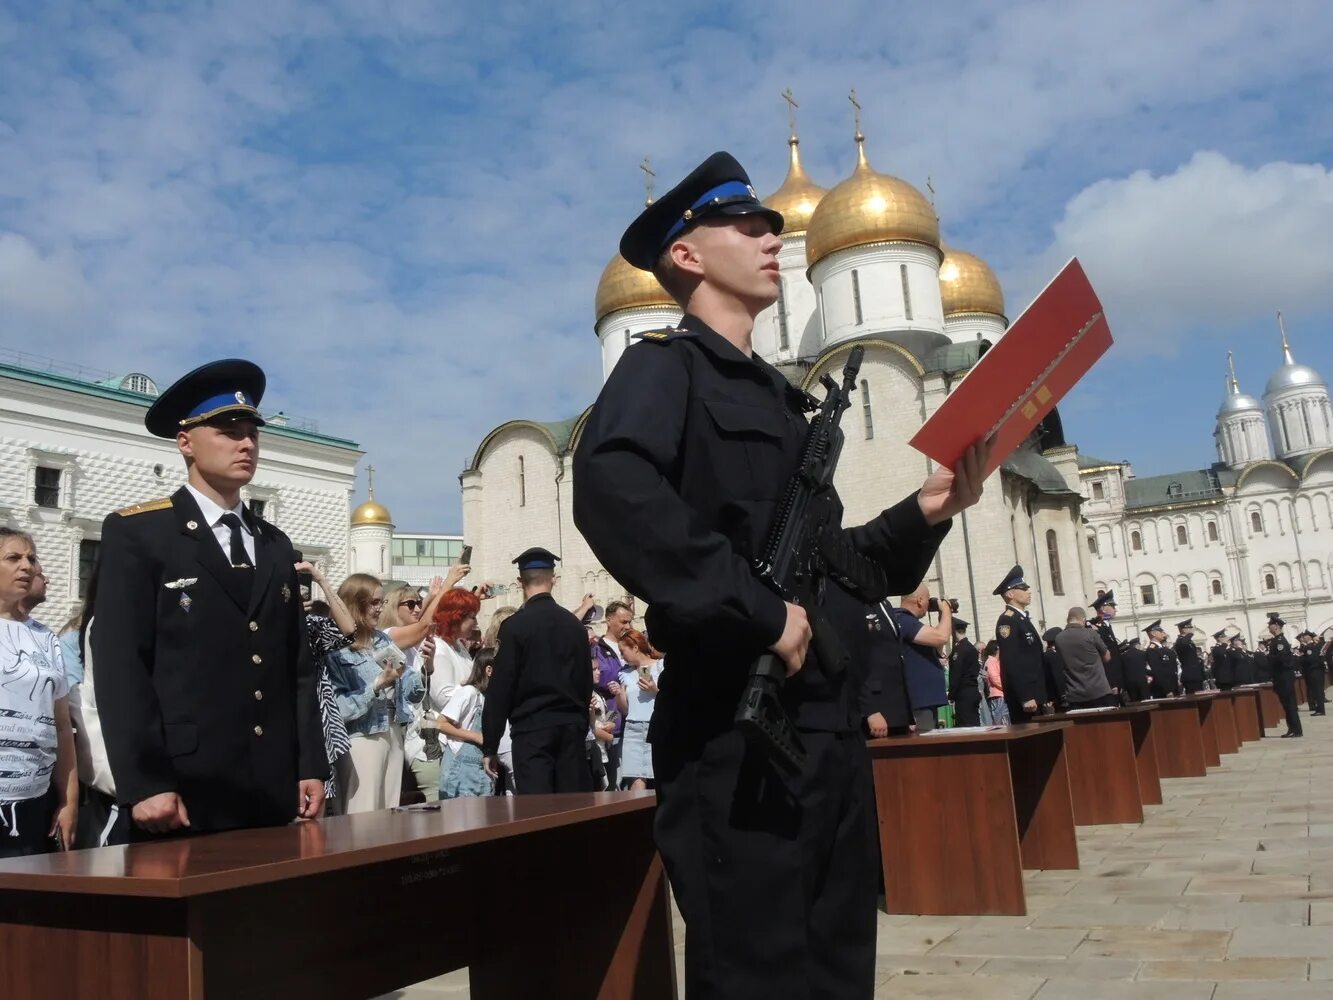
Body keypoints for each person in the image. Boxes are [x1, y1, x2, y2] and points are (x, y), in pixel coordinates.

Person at [572, 151, 984, 999]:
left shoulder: (783, 401)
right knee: (758, 971)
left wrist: (930, 508)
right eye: (744, 224)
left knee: (835, 965)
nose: (769, 236)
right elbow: (613, 491)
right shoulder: (664, 370)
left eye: (769, 223)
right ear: (685, 255)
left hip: (824, 728)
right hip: (736, 724)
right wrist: (756, 609)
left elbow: (844, 566)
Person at [94, 359, 327, 837]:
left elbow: (296, 666)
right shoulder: (140, 533)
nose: (246, 443)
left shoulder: (274, 544)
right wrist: (144, 781)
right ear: (185, 441)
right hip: (183, 787)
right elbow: (121, 666)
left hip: (270, 783)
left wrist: (310, 763)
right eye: (227, 430)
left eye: (252, 433)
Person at [481, 548, 593, 794]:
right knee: (573, 810)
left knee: (538, 811)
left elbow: (501, 688)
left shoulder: (514, 627)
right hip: (570, 728)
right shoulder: (574, 625)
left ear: (520, 582)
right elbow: (585, 682)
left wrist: (490, 744)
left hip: (532, 731)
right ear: (553, 578)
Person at [0, 529, 77, 857]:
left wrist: (69, 801)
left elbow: (62, 727)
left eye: (32, 558)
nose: (27, 566)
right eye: (13, 558)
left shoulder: (46, 638)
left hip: (34, 806)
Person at [325, 574, 425, 811]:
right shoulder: (336, 647)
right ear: (355, 603)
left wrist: (423, 672)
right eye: (375, 602)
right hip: (361, 739)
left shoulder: (381, 639)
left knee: (389, 814)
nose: (381, 609)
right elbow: (337, 709)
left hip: (393, 732)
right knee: (362, 815)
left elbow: (411, 689)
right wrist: (376, 686)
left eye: (382, 602)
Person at [994, 566, 1052, 722]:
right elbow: (1012, 661)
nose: (1029, 591)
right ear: (1011, 594)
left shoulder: (1021, 619)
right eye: (1023, 588)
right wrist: (1025, 696)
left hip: (1036, 693)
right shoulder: (1008, 620)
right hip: (1026, 697)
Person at [892, 587, 952, 732]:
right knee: (925, 743)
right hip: (919, 700)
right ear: (919, 600)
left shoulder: (911, 622)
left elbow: (938, 644)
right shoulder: (903, 619)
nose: (928, 604)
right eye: (928, 599)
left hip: (926, 699)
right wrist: (946, 611)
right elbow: (941, 637)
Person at [438, 649, 496, 799]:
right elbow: (440, 723)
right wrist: (475, 736)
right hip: (461, 774)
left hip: (482, 775)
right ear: (488, 670)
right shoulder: (469, 693)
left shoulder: (488, 699)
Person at [615, 628, 665, 789]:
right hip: (633, 728)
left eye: (623, 652)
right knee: (635, 779)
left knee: (659, 775)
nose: (622, 657)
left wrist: (654, 690)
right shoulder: (626, 674)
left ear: (635, 648)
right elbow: (625, 709)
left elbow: (671, 698)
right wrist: (618, 694)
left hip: (655, 726)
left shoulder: (660, 667)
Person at [861, 603, 914, 737]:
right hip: (876, 706)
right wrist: (870, 709)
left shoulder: (883, 603)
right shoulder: (856, 602)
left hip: (896, 708)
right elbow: (854, 659)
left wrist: (908, 713)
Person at [1052, 608, 1115, 709]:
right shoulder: (1090, 633)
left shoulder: (1059, 638)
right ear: (1083, 619)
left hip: (1075, 694)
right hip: (1099, 691)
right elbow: (1107, 657)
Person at [1267, 614, 1303, 738]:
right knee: (1287, 704)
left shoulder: (1280, 641)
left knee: (1289, 704)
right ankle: (1293, 728)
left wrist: (1269, 657)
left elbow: (1281, 658)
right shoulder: (1276, 641)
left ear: (1276, 626)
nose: (1268, 627)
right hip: (1281, 676)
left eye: (1270, 625)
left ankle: (1295, 729)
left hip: (1283, 676)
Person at [1088, 591, 1124, 702]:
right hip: (1108, 681)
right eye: (1112, 606)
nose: (1115, 609)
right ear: (1103, 608)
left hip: (1116, 680)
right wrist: (1112, 682)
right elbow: (1103, 657)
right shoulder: (1097, 628)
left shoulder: (1106, 625)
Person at [947, 618, 982, 727]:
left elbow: (956, 674)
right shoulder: (969, 647)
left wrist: (951, 694)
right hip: (971, 690)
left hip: (964, 693)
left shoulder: (960, 650)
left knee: (966, 725)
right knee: (973, 723)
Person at [1144, 621, 1180, 698]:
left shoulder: (1163, 649)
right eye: (1160, 631)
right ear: (1153, 633)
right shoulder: (1152, 650)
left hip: (1173, 685)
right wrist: (1167, 690)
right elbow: (1158, 672)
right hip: (1164, 690)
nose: (1163, 633)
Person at [1298, 630, 1326, 716]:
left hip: (1314, 671)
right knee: (1318, 691)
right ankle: (1319, 708)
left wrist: (1301, 658)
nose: (1303, 638)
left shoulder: (1310, 647)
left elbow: (1310, 659)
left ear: (1309, 637)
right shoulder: (1314, 645)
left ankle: (1320, 710)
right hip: (1317, 670)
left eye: (1305, 636)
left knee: (1317, 691)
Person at [1175, 619, 1205, 694]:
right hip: (1190, 675)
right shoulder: (1180, 641)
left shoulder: (1189, 641)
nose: (1191, 630)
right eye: (1189, 628)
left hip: (1196, 674)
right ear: (1184, 629)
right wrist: (1190, 634)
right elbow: (1183, 643)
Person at [1041, 628, 1068, 712]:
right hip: (1059, 696)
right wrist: (1063, 695)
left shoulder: (1046, 655)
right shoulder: (1053, 656)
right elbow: (1058, 676)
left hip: (1052, 696)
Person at [982, 639, 1008, 725]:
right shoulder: (990, 662)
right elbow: (995, 679)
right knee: (1000, 721)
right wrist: (1007, 687)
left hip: (1002, 694)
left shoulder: (996, 661)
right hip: (998, 695)